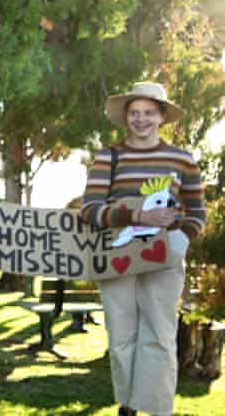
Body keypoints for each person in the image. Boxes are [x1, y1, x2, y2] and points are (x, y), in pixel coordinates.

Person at [80, 82, 205, 416]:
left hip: (165, 255)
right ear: (126, 117)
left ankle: (160, 409)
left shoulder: (182, 159)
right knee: (122, 334)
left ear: (162, 116)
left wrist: (182, 239)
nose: (141, 119)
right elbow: (90, 208)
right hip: (117, 253)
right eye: (135, 112)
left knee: (160, 335)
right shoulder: (110, 156)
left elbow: (196, 210)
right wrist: (136, 214)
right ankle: (129, 406)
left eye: (149, 112)